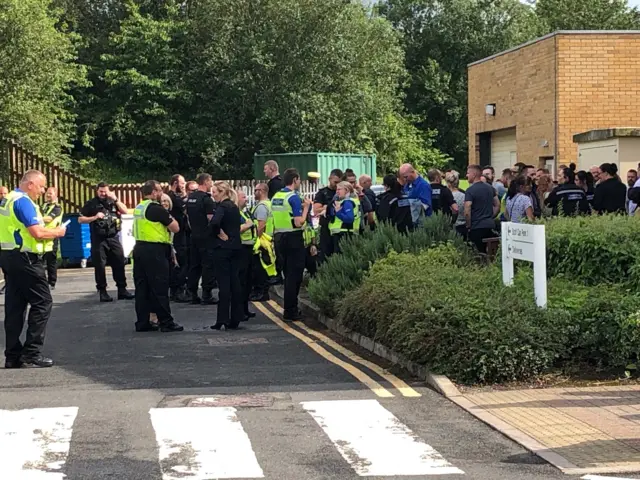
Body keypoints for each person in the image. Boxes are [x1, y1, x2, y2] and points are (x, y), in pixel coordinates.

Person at [0, 170, 66, 368]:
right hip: (26, 257)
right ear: (30, 184)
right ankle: (32, 352)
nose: (43, 190)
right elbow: (36, 232)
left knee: (15, 306)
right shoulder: (23, 202)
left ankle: (12, 355)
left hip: (8, 255)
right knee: (43, 302)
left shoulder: (7, 200)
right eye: (41, 186)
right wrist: (57, 232)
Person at [132, 181, 183, 333]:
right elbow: (176, 227)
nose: (161, 193)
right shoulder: (155, 208)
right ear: (154, 192)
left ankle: (143, 322)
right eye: (160, 191)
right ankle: (166, 322)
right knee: (159, 287)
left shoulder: (140, 207)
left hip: (140, 248)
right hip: (155, 250)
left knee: (142, 288)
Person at [79, 182, 135, 302]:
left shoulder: (113, 202)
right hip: (99, 239)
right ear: (97, 191)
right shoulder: (91, 204)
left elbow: (125, 211)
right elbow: (80, 219)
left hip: (113, 236)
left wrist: (116, 199)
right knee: (100, 265)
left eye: (105, 191)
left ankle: (122, 289)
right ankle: (102, 291)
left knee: (120, 261)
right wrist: (94, 217)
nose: (103, 194)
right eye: (101, 191)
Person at [272, 168, 312, 321]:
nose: (300, 182)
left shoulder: (277, 196)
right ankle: (291, 311)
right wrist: (306, 208)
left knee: (287, 274)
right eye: (299, 179)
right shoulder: (293, 198)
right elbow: (298, 221)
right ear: (295, 180)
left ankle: (289, 308)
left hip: (279, 237)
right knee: (294, 276)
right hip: (293, 238)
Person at [209, 181, 244, 330]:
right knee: (235, 283)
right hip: (236, 248)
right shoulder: (234, 207)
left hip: (222, 249)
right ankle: (236, 318)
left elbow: (214, 223)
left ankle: (222, 319)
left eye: (215, 192)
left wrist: (220, 234)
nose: (213, 195)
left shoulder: (222, 207)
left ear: (222, 192)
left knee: (224, 285)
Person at [186, 173, 217, 304]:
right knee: (207, 265)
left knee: (194, 265)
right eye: (211, 181)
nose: (212, 184)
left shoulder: (190, 198)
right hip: (206, 236)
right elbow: (211, 219)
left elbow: (187, 218)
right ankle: (207, 294)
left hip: (194, 235)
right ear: (206, 182)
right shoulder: (207, 200)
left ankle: (192, 293)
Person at [464, 164, 500, 253]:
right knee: (491, 252)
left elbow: (467, 209)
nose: (466, 175)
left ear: (474, 174)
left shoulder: (470, 190)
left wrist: (468, 225)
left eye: (468, 173)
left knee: (479, 253)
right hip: (490, 225)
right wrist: (491, 216)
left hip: (476, 227)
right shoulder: (490, 188)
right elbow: (497, 205)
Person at [167, 174, 191, 302]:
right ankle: (177, 290)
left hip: (180, 233)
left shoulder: (171, 196)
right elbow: (184, 209)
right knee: (181, 263)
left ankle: (176, 289)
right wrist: (185, 195)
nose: (184, 185)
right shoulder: (172, 197)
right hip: (177, 235)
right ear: (175, 183)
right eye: (182, 183)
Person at [250, 183, 274, 301]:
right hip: (268, 239)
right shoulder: (269, 204)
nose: (254, 193)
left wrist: (257, 239)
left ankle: (261, 292)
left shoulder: (262, 206)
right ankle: (262, 291)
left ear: (261, 191)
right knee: (264, 267)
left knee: (259, 269)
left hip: (262, 241)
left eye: (256, 190)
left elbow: (261, 225)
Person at [313, 169, 343, 262]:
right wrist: (327, 208)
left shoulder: (342, 192)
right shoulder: (322, 193)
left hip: (339, 229)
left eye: (339, 183)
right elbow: (316, 210)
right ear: (329, 179)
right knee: (325, 256)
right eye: (335, 182)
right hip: (326, 228)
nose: (337, 185)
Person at [237, 190, 257, 321]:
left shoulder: (245, 212)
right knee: (242, 281)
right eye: (243, 197)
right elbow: (237, 229)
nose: (246, 199)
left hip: (250, 248)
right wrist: (248, 225)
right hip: (241, 249)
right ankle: (240, 311)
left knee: (248, 281)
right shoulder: (235, 213)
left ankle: (245, 308)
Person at [328, 181, 360, 254]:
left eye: (339, 189)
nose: (337, 191)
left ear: (346, 190)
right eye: (336, 189)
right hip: (346, 232)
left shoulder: (348, 202)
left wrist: (338, 212)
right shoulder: (350, 201)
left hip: (344, 233)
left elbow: (349, 219)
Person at [40, 187, 63, 289]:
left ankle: (51, 282)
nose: (48, 195)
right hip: (42, 235)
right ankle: (42, 282)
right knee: (40, 260)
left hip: (52, 236)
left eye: (50, 193)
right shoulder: (43, 206)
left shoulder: (57, 207)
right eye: (47, 193)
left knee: (51, 260)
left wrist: (36, 219)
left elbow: (49, 219)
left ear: (55, 195)